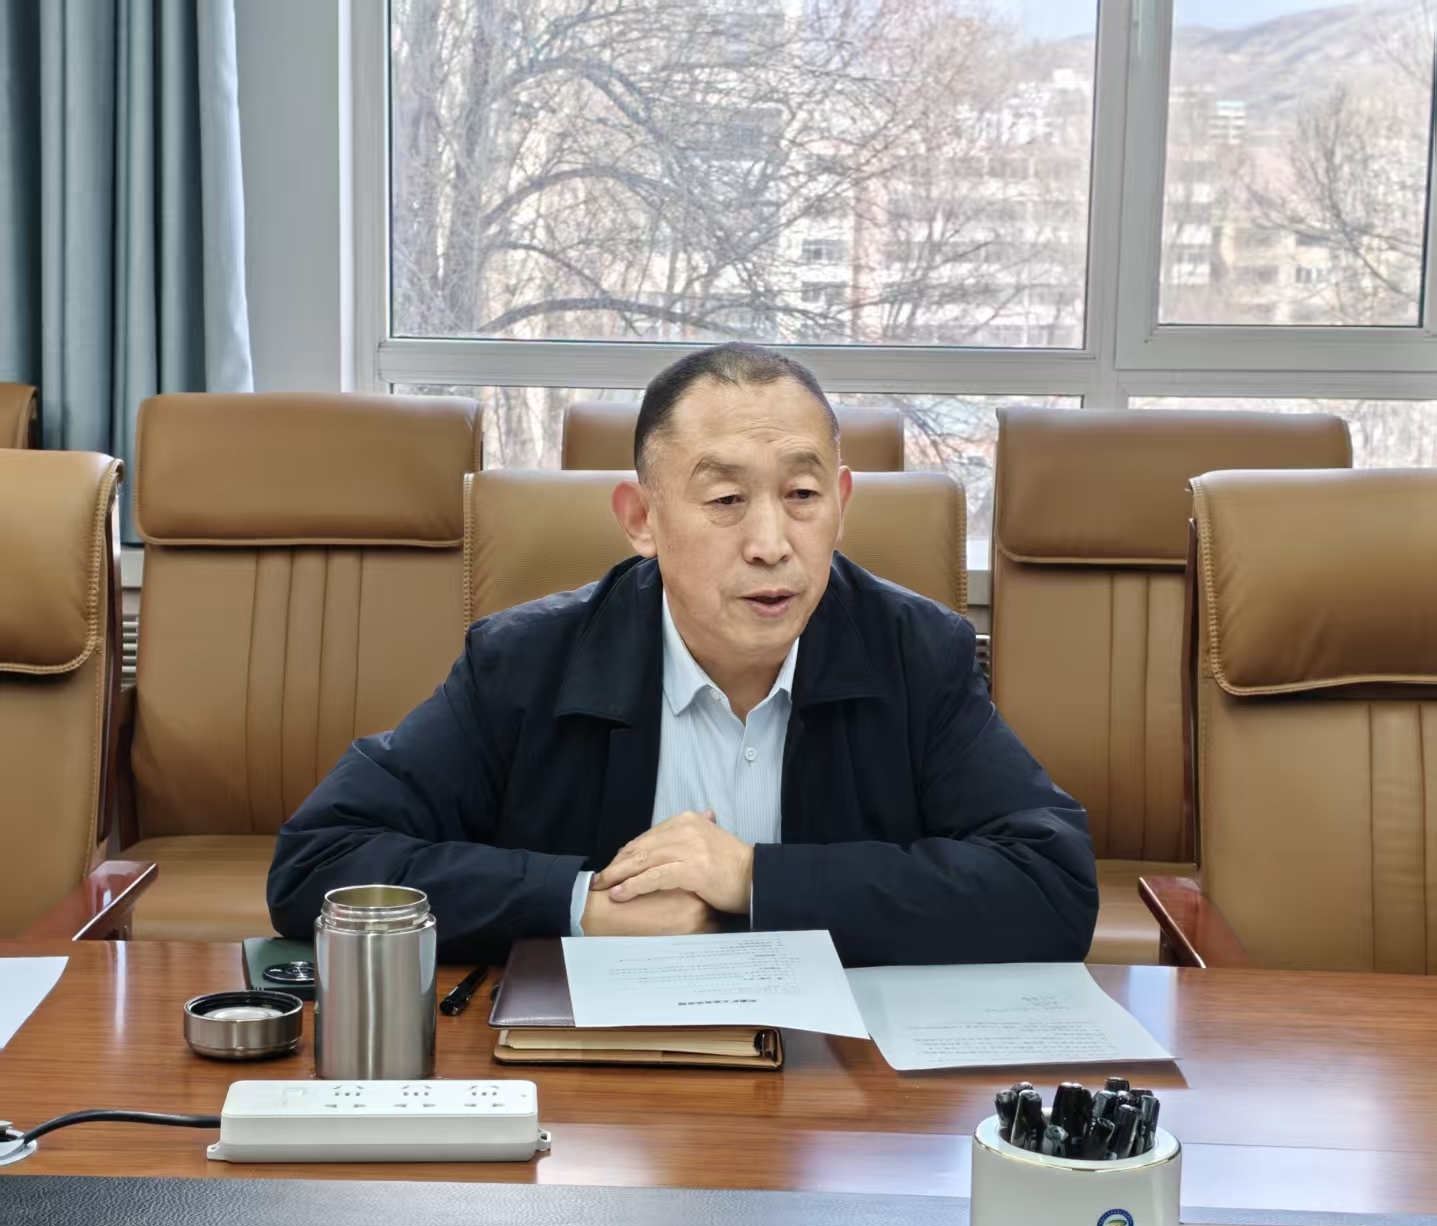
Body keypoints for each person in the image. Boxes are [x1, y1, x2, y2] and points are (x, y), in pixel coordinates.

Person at [268, 343, 1096, 965]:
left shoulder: (916, 655)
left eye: (802, 495)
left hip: (833, 1081)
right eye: (725, 499)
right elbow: (320, 860)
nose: (771, 543)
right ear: (641, 519)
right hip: (597, 1088)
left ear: (841, 505)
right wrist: (579, 905)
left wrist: (754, 880)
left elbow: (1050, 884)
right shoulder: (527, 663)